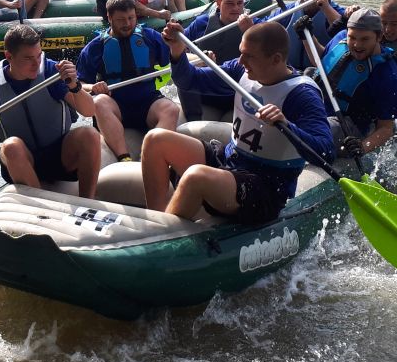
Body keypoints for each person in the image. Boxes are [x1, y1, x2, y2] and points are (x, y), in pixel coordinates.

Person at [141, 21, 333, 221]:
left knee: (195, 176)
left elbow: (326, 151)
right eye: (241, 52)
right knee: (155, 139)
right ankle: (157, 221)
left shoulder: (302, 94)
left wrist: (287, 125)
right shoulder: (241, 70)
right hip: (230, 162)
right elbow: (189, 81)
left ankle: (165, 238)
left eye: (249, 56)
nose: (240, 61)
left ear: (276, 59)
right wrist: (177, 51)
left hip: (265, 188)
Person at [0, 23, 100, 197]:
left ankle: (88, 201)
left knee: (90, 134)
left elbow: (89, 111)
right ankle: (43, 206)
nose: (36, 63)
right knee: (10, 146)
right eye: (28, 58)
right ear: (9, 56)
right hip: (22, 159)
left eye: (38, 56)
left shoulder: (51, 72)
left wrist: (74, 84)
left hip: (59, 156)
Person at [77, 0, 179, 162]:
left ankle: (153, 157)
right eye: (121, 19)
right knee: (99, 101)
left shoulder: (150, 37)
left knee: (171, 109)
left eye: (131, 18)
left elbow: (174, 58)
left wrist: (185, 51)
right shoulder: (95, 47)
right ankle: (124, 158)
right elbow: (80, 83)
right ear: (109, 17)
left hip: (147, 102)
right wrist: (92, 87)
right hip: (116, 105)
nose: (127, 24)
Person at [309, 6, 397, 157]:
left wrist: (362, 147)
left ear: (379, 37)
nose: (357, 45)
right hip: (317, 108)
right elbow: (319, 64)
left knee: (320, 127)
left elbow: (386, 128)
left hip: (348, 126)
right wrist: (305, 36)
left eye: (365, 39)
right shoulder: (340, 38)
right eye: (352, 37)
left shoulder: (387, 74)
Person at [180, 0, 256, 121]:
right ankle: (192, 119)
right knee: (184, 72)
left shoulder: (253, 24)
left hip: (234, 91)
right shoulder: (201, 22)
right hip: (206, 88)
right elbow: (177, 50)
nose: (236, 8)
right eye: (230, 3)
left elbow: (264, 58)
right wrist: (199, 59)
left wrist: (250, 31)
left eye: (240, 3)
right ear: (218, 3)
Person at [277, 0, 344, 70]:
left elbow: (344, 32)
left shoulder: (335, 11)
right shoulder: (291, 9)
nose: (301, 1)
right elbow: (264, 24)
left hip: (321, 71)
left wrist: (326, 7)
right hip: (290, 70)